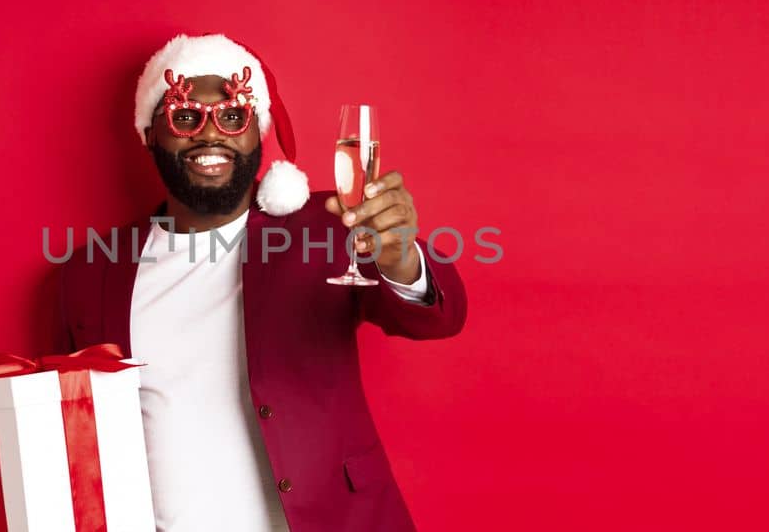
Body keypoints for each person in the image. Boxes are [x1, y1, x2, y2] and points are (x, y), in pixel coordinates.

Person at [53, 34, 468, 531]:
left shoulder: (329, 224)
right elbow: (74, 438)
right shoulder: (90, 275)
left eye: (233, 117)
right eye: (185, 117)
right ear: (149, 133)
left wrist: (400, 259)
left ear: (258, 133)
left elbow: (439, 319)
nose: (211, 134)